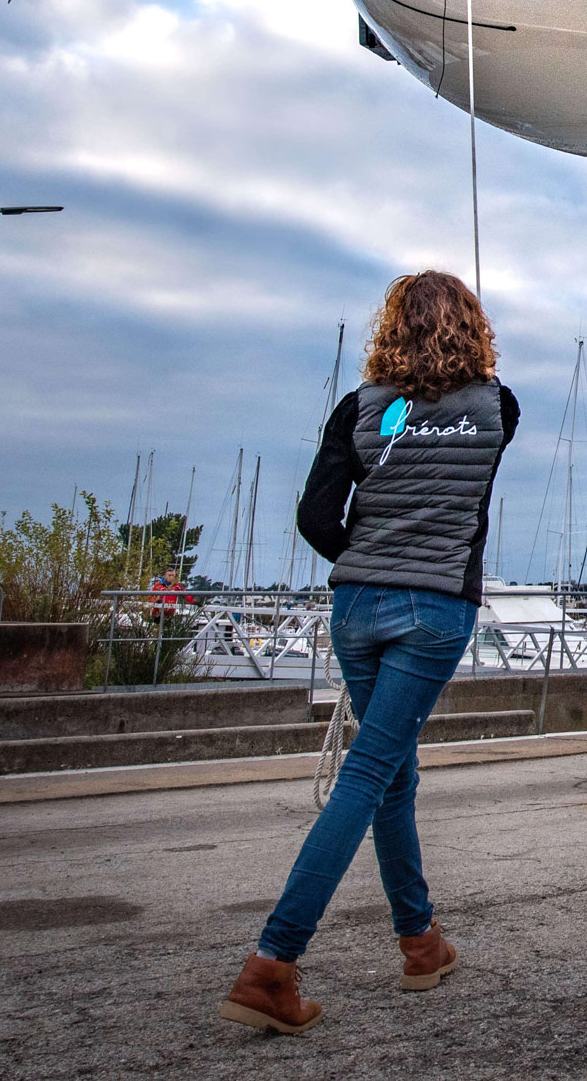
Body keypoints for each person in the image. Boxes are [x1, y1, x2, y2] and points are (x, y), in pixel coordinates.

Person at [219, 270, 519, 1035]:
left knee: (390, 772)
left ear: (389, 328)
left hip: (355, 605)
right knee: (370, 771)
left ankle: (422, 944)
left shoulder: (359, 411)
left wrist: (369, 553)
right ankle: (271, 963)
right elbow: (472, 443)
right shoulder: (498, 407)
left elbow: (316, 515)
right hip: (435, 607)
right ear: (472, 326)